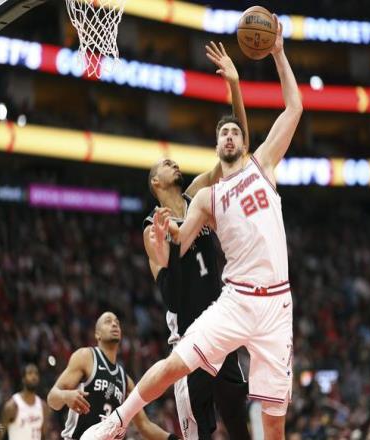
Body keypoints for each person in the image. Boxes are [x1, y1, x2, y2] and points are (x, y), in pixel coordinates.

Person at [82, 14, 302, 440]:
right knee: (176, 367)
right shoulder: (205, 196)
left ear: (244, 141)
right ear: (217, 144)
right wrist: (164, 244)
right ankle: (116, 422)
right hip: (233, 301)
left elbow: (294, 108)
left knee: (273, 423)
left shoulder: (263, 166)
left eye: (235, 131)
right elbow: (182, 240)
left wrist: (278, 52)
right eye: (224, 133)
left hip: (277, 304)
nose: (230, 136)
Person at [143, 42, 250, 440]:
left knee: (239, 427)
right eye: (164, 164)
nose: (173, 162)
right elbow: (170, 296)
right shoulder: (150, 227)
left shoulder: (198, 198)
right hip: (189, 340)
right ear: (156, 183)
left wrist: (234, 85)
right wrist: (169, 245)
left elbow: (237, 150)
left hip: (220, 327)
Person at [47, 311, 178, 440]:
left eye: (117, 323)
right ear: (97, 334)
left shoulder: (125, 380)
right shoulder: (85, 357)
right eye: (108, 322)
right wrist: (65, 396)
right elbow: (52, 399)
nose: (114, 324)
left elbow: (145, 426)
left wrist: (173, 438)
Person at [0, 364, 50, 440]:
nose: (34, 376)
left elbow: (45, 436)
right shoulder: (12, 406)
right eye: (30, 373)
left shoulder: (43, 406)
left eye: (36, 373)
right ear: (23, 379)